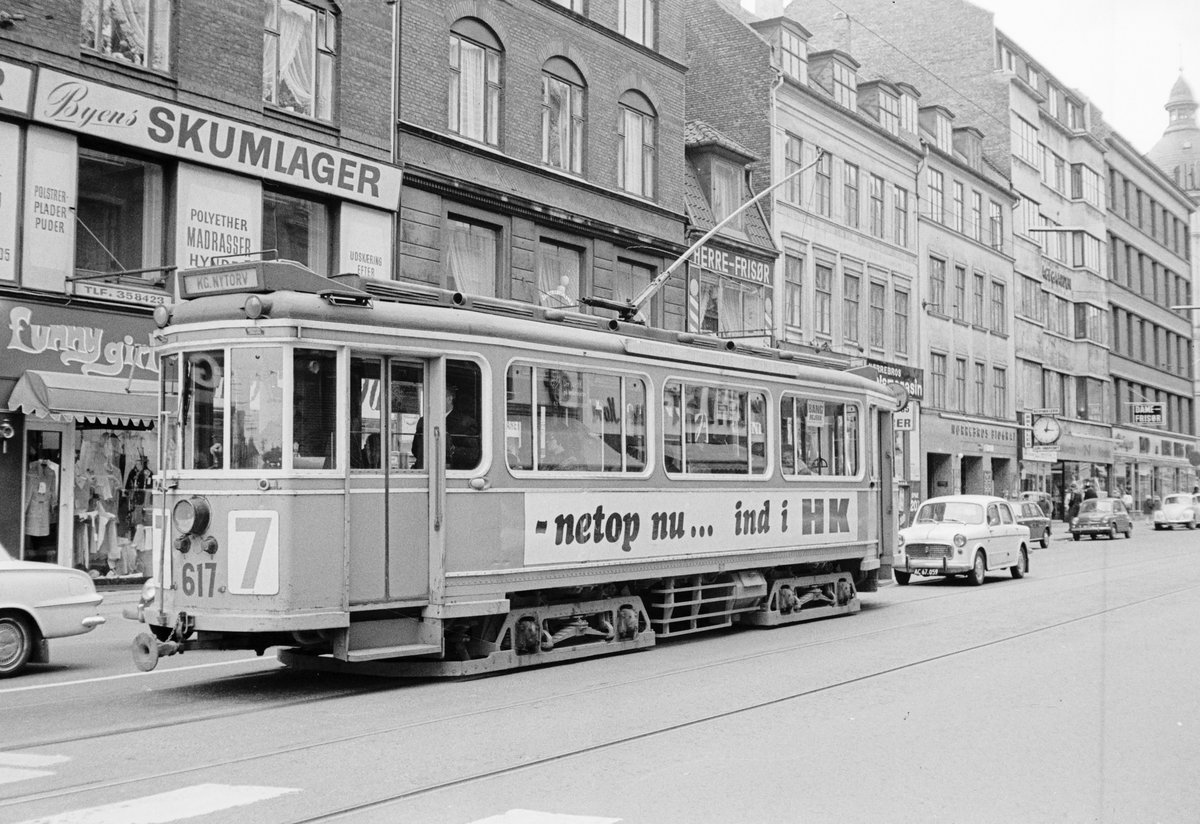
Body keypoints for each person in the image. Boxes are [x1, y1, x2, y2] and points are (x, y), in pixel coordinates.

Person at [412, 384, 480, 470]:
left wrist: (452, 450)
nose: (434, 401)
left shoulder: (466, 423)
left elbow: (473, 455)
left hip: (451, 473)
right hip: (425, 471)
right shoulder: (423, 421)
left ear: (449, 399)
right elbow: (415, 450)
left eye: (437, 397)